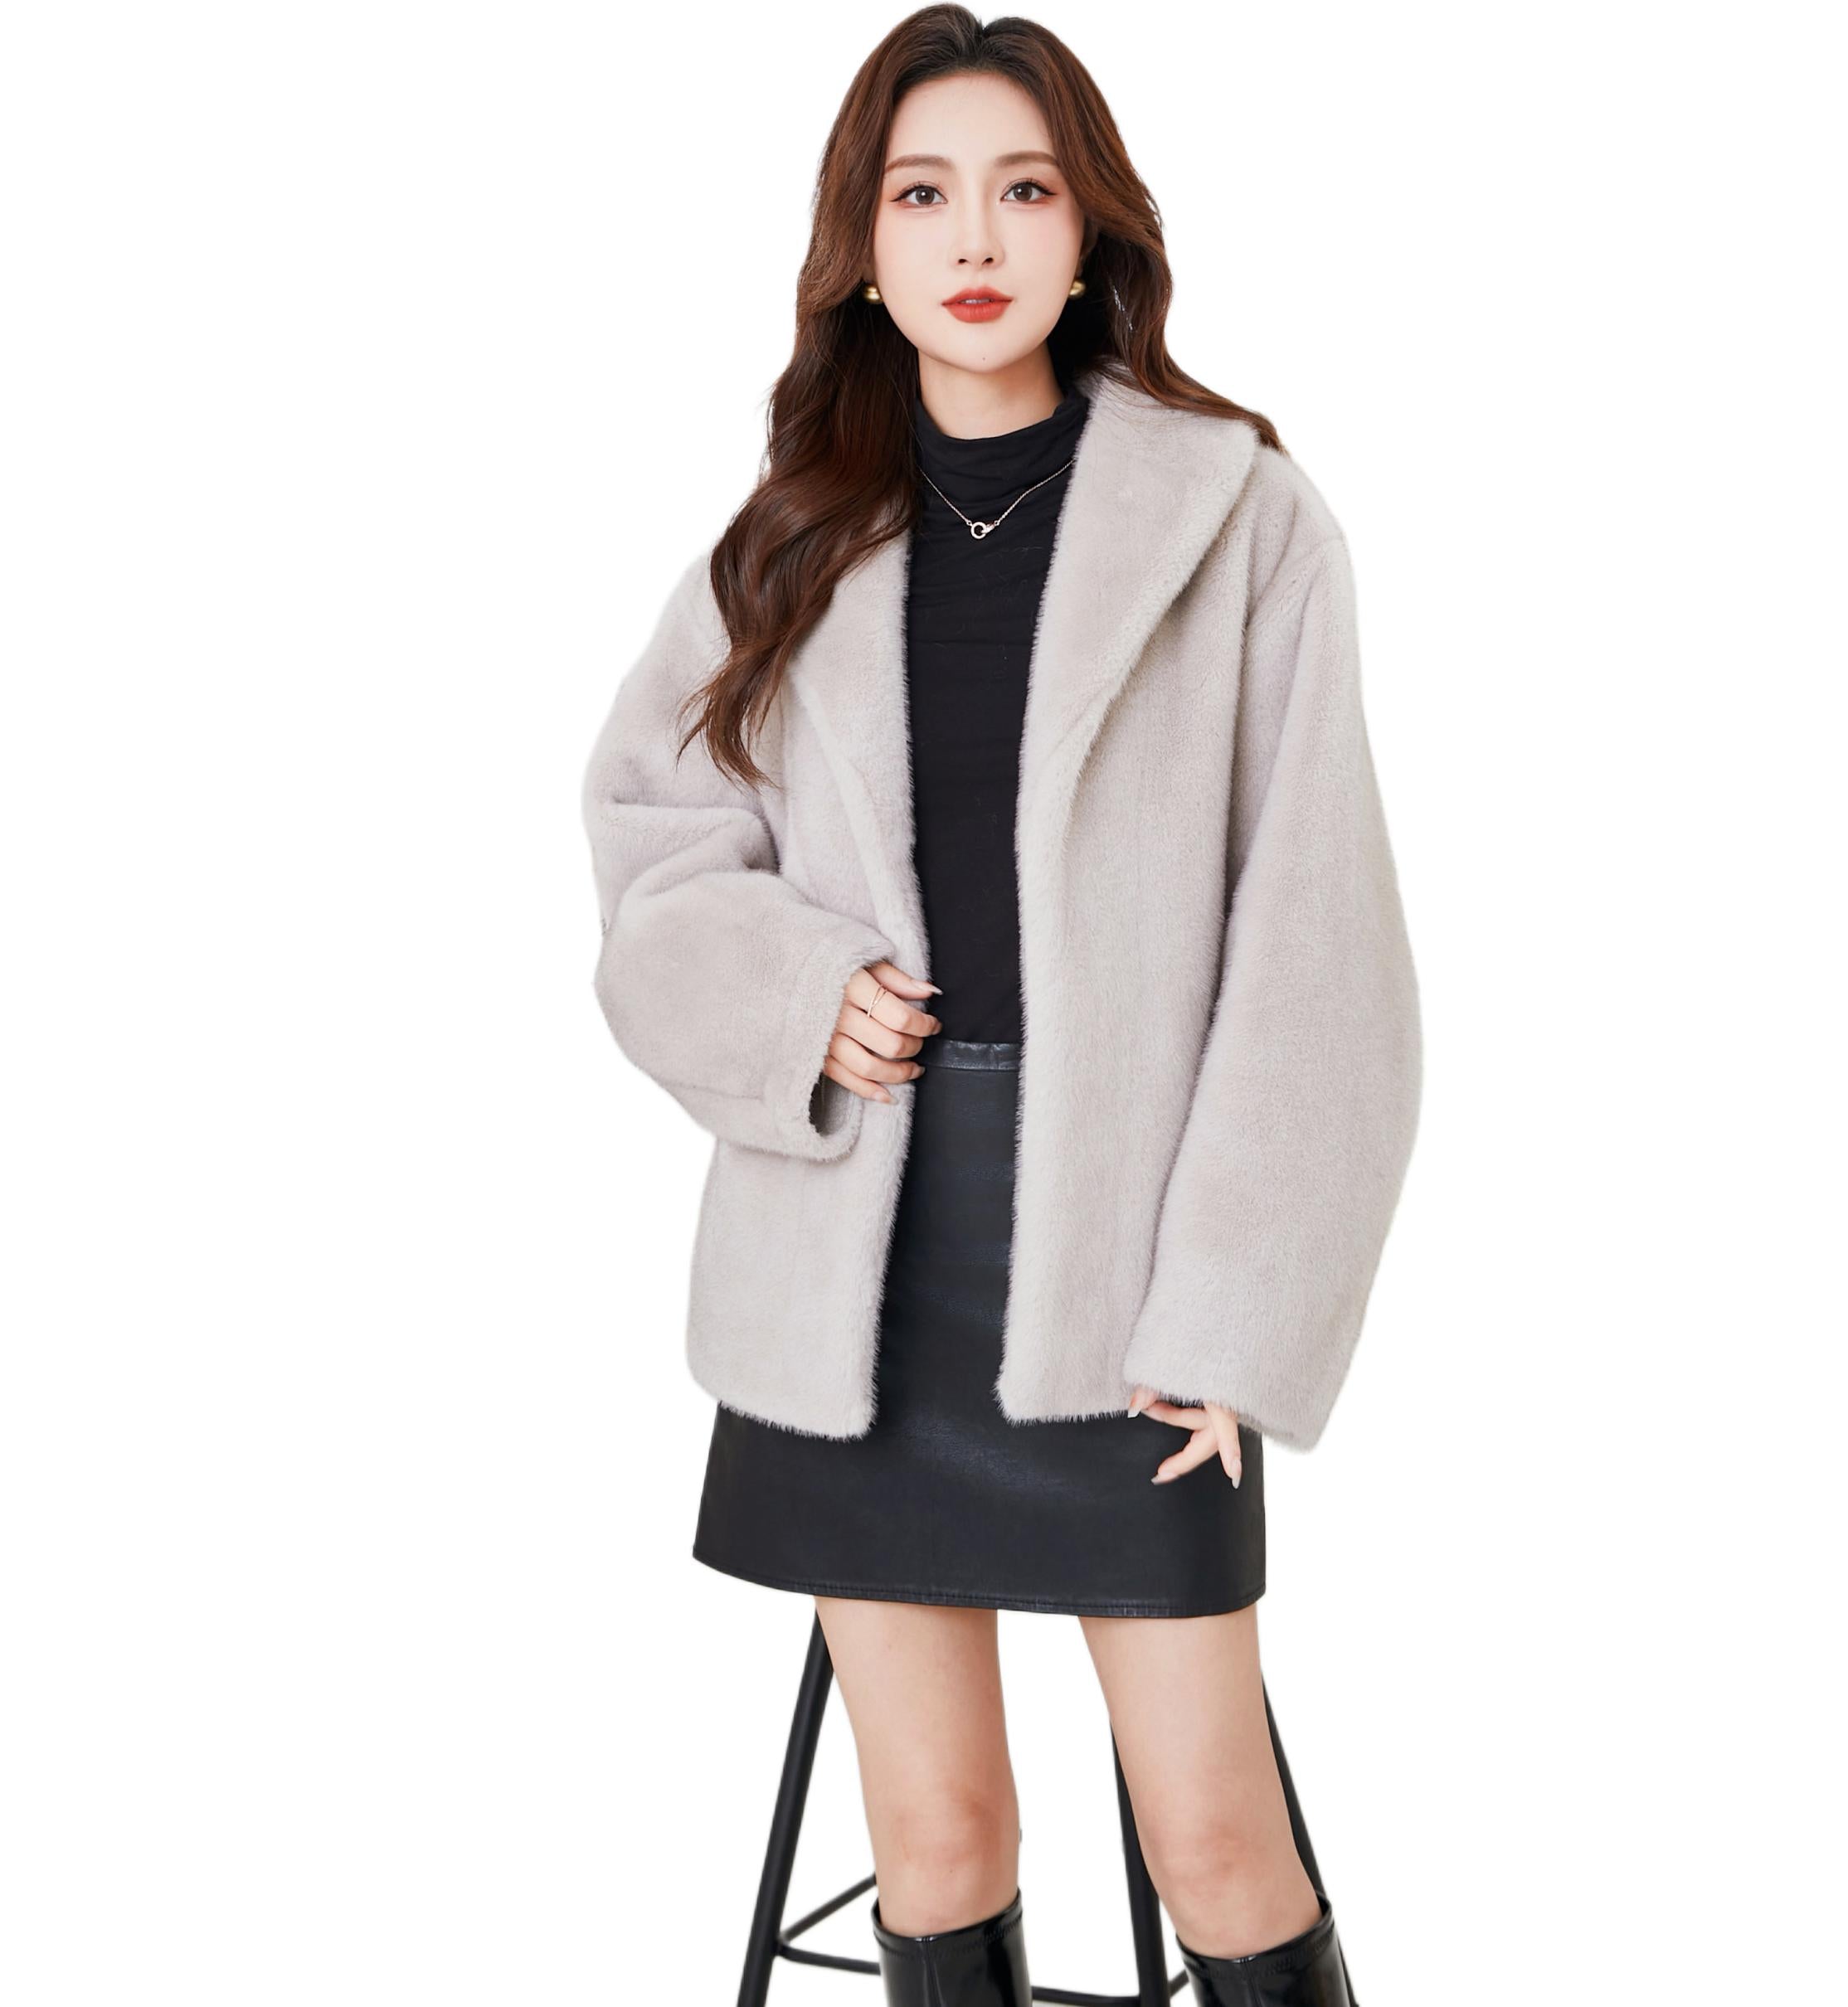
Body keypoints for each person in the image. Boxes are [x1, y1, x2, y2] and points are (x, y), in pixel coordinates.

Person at [579, 10, 1422, 2003]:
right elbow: (650, 849)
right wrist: (799, 997)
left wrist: (1236, 1310)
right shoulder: (788, 540)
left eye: (1024, 189)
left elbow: (1322, 953)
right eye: (923, 193)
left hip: (1133, 1266)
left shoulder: (1236, 517)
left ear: (1089, 229)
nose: (975, 236)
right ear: (861, 250)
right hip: (852, 1268)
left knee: (1216, 1842)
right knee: (938, 1836)